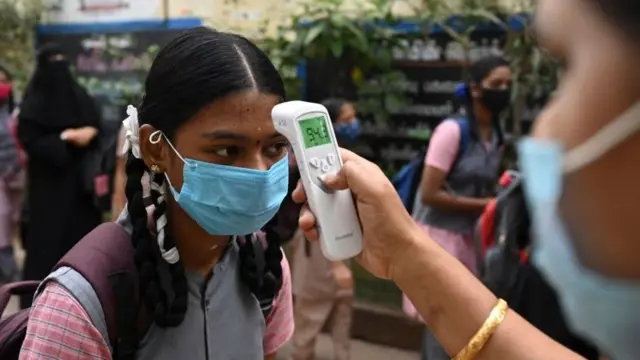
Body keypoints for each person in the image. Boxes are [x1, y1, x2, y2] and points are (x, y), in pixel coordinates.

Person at [294, 0, 640, 358]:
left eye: (567, 67)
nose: (543, 129)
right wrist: (402, 251)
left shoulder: (497, 134)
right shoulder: (453, 132)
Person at [20, 27, 294, 359]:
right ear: (157, 150)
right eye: (226, 151)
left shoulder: (266, 265)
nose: (259, 173)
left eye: (275, 147)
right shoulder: (81, 302)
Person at [410, 56, 509, 359]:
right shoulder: (452, 132)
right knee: (443, 324)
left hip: (471, 241)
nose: (504, 90)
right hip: (440, 240)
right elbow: (429, 193)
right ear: (476, 89)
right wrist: (488, 204)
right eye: (497, 84)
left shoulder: (497, 136)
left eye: (508, 84)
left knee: (463, 326)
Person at [17, 44, 102, 308]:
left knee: (81, 249)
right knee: (46, 248)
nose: (59, 67)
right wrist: (64, 138)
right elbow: (30, 139)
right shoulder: (34, 104)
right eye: (53, 61)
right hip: (47, 190)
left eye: (63, 60)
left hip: (79, 191)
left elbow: (97, 128)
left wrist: (90, 134)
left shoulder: (80, 96)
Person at [287, 98, 357, 360]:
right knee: (309, 317)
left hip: (337, 241)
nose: (353, 125)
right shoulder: (308, 160)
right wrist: (337, 265)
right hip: (316, 243)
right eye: (347, 120)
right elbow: (321, 208)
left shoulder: (344, 156)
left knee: (342, 312)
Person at [0, 65, 23, 284]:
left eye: (4, 81)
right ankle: (9, 272)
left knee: (15, 218)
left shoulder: (18, 111)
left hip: (19, 174)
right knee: (3, 219)